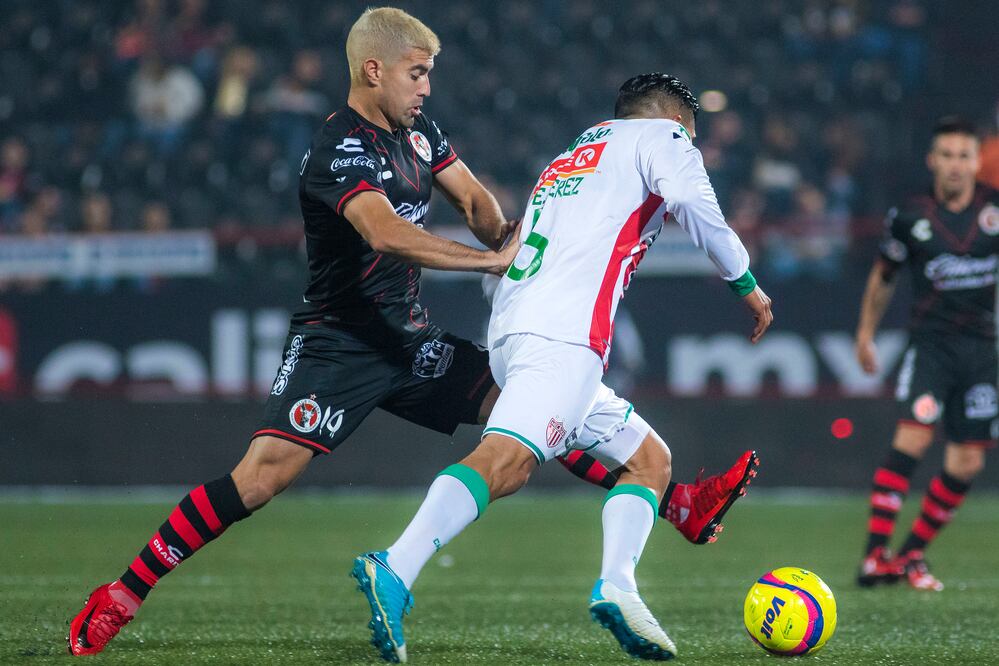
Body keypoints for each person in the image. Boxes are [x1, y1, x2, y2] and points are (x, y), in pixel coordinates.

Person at [67, 9, 755, 656]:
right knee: (260, 480)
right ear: (374, 70)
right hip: (340, 343)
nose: (427, 89)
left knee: (539, 416)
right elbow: (385, 232)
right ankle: (123, 592)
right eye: (416, 73)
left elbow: (475, 199)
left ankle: (677, 503)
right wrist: (484, 258)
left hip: (412, 343)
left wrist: (507, 231)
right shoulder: (336, 147)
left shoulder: (420, 136)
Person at [351, 73, 773, 663]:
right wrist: (746, 283)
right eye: (691, 135)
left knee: (648, 460)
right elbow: (694, 203)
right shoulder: (664, 138)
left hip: (514, 324)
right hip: (564, 337)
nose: (692, 146)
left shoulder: (571, 155)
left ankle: (620, 585)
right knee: (507, 463)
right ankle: (395, 565)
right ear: (675, 122)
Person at [855, 116, 999, 592]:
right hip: (931, 348)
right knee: (912, 440)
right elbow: (884, 275)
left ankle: (911, 554)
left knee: (967, 464)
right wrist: (865, 333)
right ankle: (875, 557)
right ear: (932, 161)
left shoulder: (995, 211)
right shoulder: (910, 217)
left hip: (982, 352)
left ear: (978, 161)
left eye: (964, 155)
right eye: (948, 155)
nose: (956, 165)